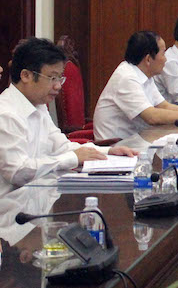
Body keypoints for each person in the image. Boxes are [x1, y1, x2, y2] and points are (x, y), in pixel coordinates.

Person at [0, 38, 137, 193]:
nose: (58, 86)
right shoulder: (6, 113)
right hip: (12, 202)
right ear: (26, 76)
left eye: (60, 78)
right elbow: (18, 172)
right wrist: (73, 158)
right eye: (52, 78)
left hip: (38, 194)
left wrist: (106, 152)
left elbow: (61, 147)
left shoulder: (38, 105)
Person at [93, 31, 178, 141]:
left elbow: (164, 105)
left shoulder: (145, 74)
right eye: (163, 54)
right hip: (115, 148)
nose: (166, 59)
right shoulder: (126, 78)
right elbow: (152, 116)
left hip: (138, 141)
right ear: (148, 59)